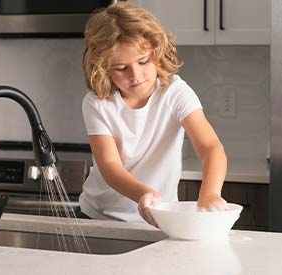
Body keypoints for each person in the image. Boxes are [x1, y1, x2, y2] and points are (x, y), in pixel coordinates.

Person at [78, 2, 228, 226]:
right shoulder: (97, 103)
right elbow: (110, 166)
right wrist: (143, 194)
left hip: (160, 216)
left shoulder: (175, 93)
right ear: (103, 67)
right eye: (121, 68)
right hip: (99, 216)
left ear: (157, 53)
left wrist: (210, 193)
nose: (135, 75)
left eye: (143, 61)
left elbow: (210, 147)